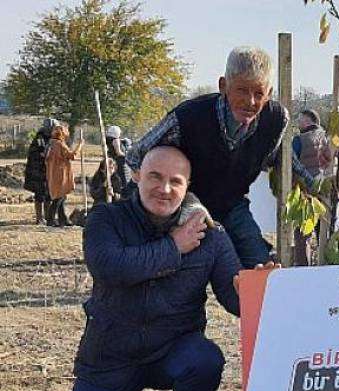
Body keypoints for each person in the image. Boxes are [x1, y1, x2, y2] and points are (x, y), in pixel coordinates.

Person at [52, 146, 244, 391]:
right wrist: (174, 247)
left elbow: (234, 297)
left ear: (187, 186)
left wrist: (261, 287)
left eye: (175, 181)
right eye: (155, 177)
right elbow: (109, 266)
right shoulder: (106, 218)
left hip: (171, 351)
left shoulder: (211, 235)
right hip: (110, 356)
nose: (164, 189)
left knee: (206, 360)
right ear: (137, 175)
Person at [125, 46, 313, 268]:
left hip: (232, 204)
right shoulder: (189, 116)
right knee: (178, 268)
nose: (250, 101)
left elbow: (280, 157)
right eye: (242, 90)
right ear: (223, 85)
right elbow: (136, 156)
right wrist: (168, 203)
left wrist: (315, 185)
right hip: (182, 206)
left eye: (259, 93)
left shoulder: (275, 120)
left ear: (269, 94)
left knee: (260, 266)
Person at [290, 109, 339, 265]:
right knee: (325, 235)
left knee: (302, 237)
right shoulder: (331, 139)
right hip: (328, 193)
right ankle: (326, 269)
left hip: (306, 195)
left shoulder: (299, 140)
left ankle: (303, 270)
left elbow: (289, 162)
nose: (298, 123)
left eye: (300, 120)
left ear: (308, 121)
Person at [45, 124, 81, 227]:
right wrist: (80, 145)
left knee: (61, 196)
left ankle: (63, 219)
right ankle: (50, 219)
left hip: (53, 173)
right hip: (60, 174)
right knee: (59, 197)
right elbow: (72, 156)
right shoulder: (59, 144)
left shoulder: (51, 143)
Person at [24, 118, 58, 224]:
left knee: (48, 194)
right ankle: (39, 218)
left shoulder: (51, 138)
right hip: (38, 171)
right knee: (39, 195)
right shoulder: (40, 138)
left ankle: (47, 217)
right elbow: (41, 153)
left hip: (47, 171)